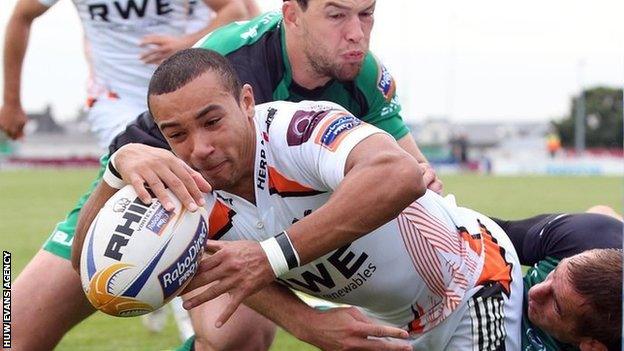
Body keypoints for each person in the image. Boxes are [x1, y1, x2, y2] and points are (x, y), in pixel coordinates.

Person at [13, 1, 444, 350]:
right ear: (292, 13)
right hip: (166, 189)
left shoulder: (362, 73)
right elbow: (130, 175)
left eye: (366, 14)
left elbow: (418, 183)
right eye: (337, 15)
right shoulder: (223, 70)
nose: (356, 33)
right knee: (12, 333)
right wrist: (306, 322)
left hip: (254, 231)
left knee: (233, 335)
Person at [73, 48, 524, 350]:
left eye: (213, 121)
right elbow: (84, 263)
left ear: (247, 102)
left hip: (472, 282)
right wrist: (116, 169)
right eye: (177, 135)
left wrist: (271, 257)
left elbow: (399, 173)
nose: (199, 148)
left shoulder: (297, 130)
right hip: (385, 325)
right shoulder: (185, 188)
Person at [2, 0, 258, 349]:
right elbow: (21, 16)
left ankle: (163, 281)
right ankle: (154, 276)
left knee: (231, 336)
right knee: (9, 330)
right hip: (125, 127)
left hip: (195, 122)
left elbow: (239, 11)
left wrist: (187, 44)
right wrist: (12, 100)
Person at [492, 206, 623, 351]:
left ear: (592, 346)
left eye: (556, 306)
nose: (534, 291)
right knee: (600, 212)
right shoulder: (581, 237)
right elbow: (486, 235)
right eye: (553, 274)